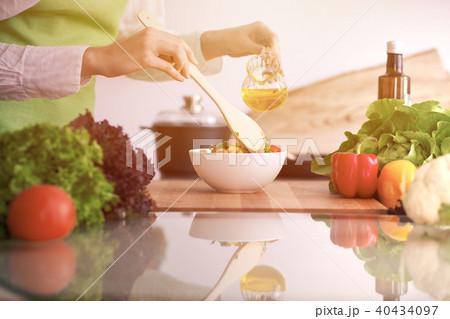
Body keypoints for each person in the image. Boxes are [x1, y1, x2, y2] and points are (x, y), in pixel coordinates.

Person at [0, 0, 281, 134]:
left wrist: (220, 43)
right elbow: (110, 56)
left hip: (67, 144)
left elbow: (133, 49)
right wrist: (95, 59)